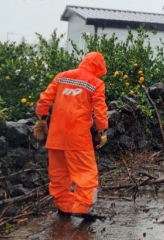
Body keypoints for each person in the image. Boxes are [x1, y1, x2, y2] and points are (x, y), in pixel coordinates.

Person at [33, 51, 109, 221]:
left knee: (58, 174)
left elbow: (44, 100)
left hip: (56, 136)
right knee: (86, 173)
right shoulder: (95, 83)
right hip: (78, 138)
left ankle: (64, 206)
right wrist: (102, 132)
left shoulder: (61, 77)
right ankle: (82, 207)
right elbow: (100, 109)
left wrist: (42, 119)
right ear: (99, 67)